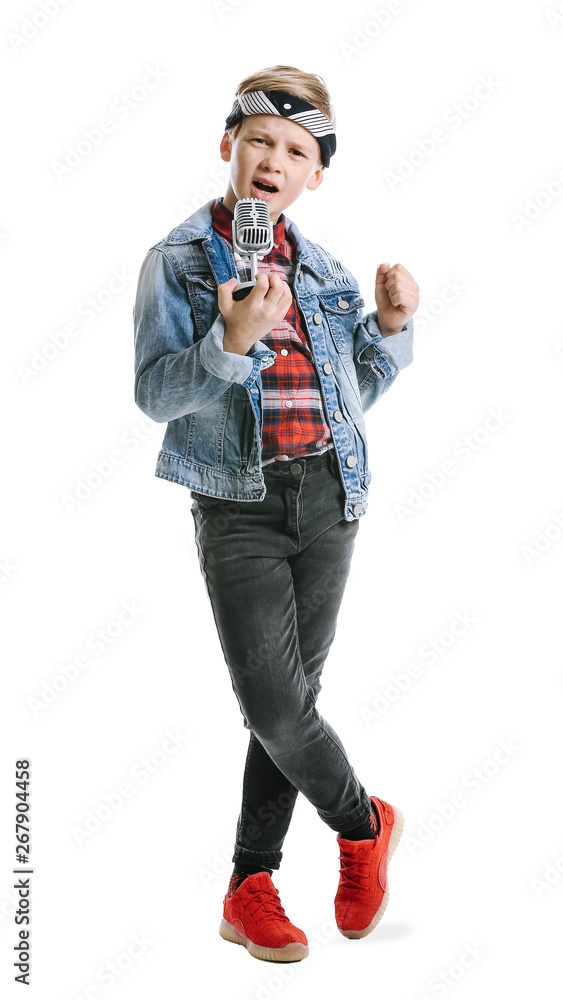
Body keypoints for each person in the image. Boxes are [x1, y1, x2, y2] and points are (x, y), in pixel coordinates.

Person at [133, 64, 419, 964]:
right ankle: (363, 824)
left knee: (289, 707)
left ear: (313, 176)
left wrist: (390, 329)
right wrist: (229, 341)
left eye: (296, 151)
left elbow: (352, 393)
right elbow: (154, 395)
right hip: (239, 503)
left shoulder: (324, 269)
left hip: (332, 496)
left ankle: (247, 886)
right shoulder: (178, 261)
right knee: (274, 707)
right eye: (259, 140)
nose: (273, 159)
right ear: (228, 145)